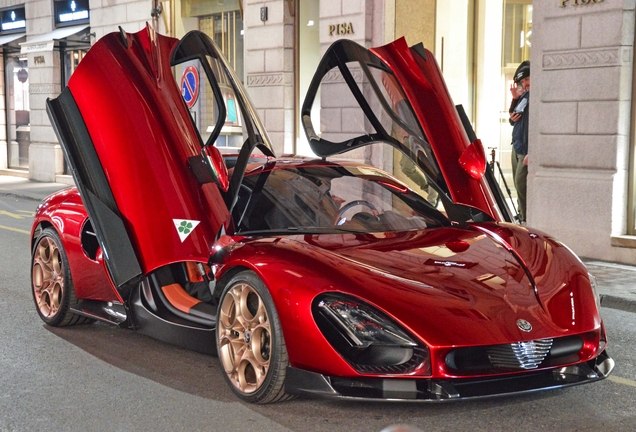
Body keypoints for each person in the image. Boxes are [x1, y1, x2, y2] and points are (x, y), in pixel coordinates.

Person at [509, 61, 530, 223]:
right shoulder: (524, 96)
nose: (525, 83)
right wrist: (514, 99)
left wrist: (532, 151)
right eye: (523, 81)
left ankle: (526, 220)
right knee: (518, 184)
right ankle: (521, 214)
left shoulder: (536, 97)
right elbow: (513, 119)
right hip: (517, 145)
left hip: (526, 149)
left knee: (521, 183)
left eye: (527, 79)